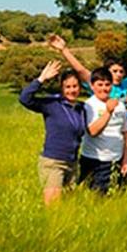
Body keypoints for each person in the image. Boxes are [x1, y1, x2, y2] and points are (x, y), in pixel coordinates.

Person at [18, 60, 87, 204]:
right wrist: (41, 79)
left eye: (75, 86)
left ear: (80, 87)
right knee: (53, 207)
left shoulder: (82, 108)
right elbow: (24, 99)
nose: (71, 90)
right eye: (67, 87)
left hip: (72, 163)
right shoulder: (52, 104)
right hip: (53, 162)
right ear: (61, 88)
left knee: (68, 207)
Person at [51, 33, 127, 100]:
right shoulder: (99, 84)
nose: (118, 74)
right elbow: (80, 70)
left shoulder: (125, 84)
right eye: (115, 71)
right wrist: (64, 50)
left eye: (121, 71)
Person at [79, 66, 127, 193]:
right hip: (95, 159)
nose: (104, 88)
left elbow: (125, 133)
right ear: (92, 86)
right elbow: (92, 132)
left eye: (107, 84)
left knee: (115, 196)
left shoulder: (120, 105)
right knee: (94, 197)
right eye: (100, 84)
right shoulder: (89, 105)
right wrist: (108, 111)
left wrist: (125, 159)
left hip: (116, 159)